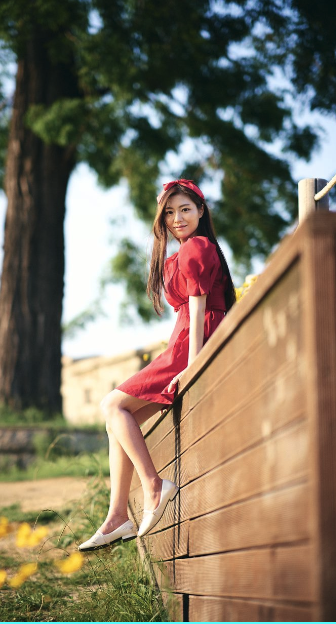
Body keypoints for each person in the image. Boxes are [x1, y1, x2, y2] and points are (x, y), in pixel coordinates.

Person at [78, 179, 236, 551]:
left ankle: (153, 486)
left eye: (185, 209)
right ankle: (118, 516)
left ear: (201, 210)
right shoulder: (180, 253)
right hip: (183, 338)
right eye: (169, 212)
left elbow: (198, 308)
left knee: (112, 405)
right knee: (117, 420)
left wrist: (193, 362)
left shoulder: (197, 246)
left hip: (191, 341)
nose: (177, 218)